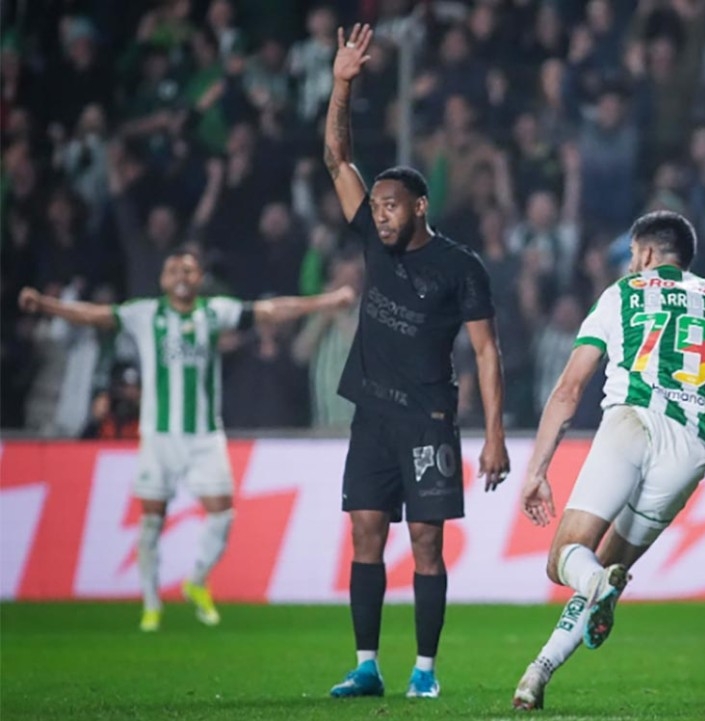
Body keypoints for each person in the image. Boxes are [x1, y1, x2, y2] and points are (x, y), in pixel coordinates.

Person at [511, 211, 705, 710]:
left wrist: (537, 471)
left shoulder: (620, 295)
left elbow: (568, 389)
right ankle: (538, 673)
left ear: (643, 255)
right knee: (609, 570)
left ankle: (593, 584)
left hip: (631, 423)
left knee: (567, 561)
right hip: (690, 450)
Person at [18, 249, 356, 632]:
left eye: (189, 269)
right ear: (163, 278)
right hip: (159, 437)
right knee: (151, 523)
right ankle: (150, 604)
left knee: (223, 515)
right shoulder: (144, 314)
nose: (181, 275)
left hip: (204, 437)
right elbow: (95, 315)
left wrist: (326, 301)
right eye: (173, 269)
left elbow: (271, 310)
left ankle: (197, 579)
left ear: (199, 278)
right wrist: (46, 304)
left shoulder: (213, 313)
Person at [322, 25, 510, 700]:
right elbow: (337, 156)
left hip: (429, 417)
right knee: (366, 532)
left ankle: (424, 670)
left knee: (425, 542)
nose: (379, 215)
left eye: (391, 205)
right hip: (371, 413)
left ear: (419, 206)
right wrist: (342, 82)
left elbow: (487, 351)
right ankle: (367, 664)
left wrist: (492, 435)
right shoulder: (374, 244)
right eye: (375, 206)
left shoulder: (461, 267)